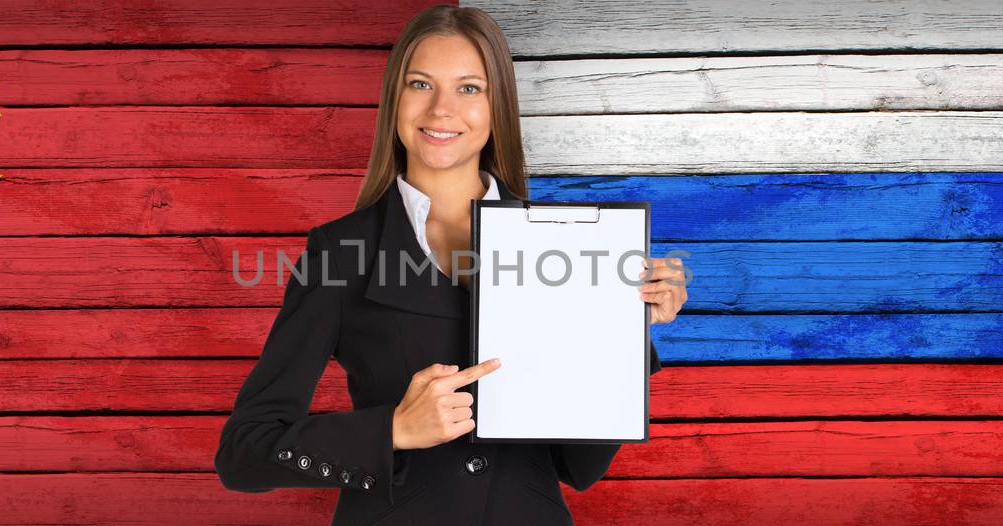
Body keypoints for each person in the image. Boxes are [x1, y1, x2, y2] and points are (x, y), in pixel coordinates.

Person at [214, 5, 689, 524]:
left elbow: (578, 466)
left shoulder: (572, 249)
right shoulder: (339, 252)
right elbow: (244, 454)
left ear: (497, 106)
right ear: (395, 98)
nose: (442, 110)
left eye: (469, 88)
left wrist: (624, 329)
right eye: (421, 84)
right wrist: (393, 430)